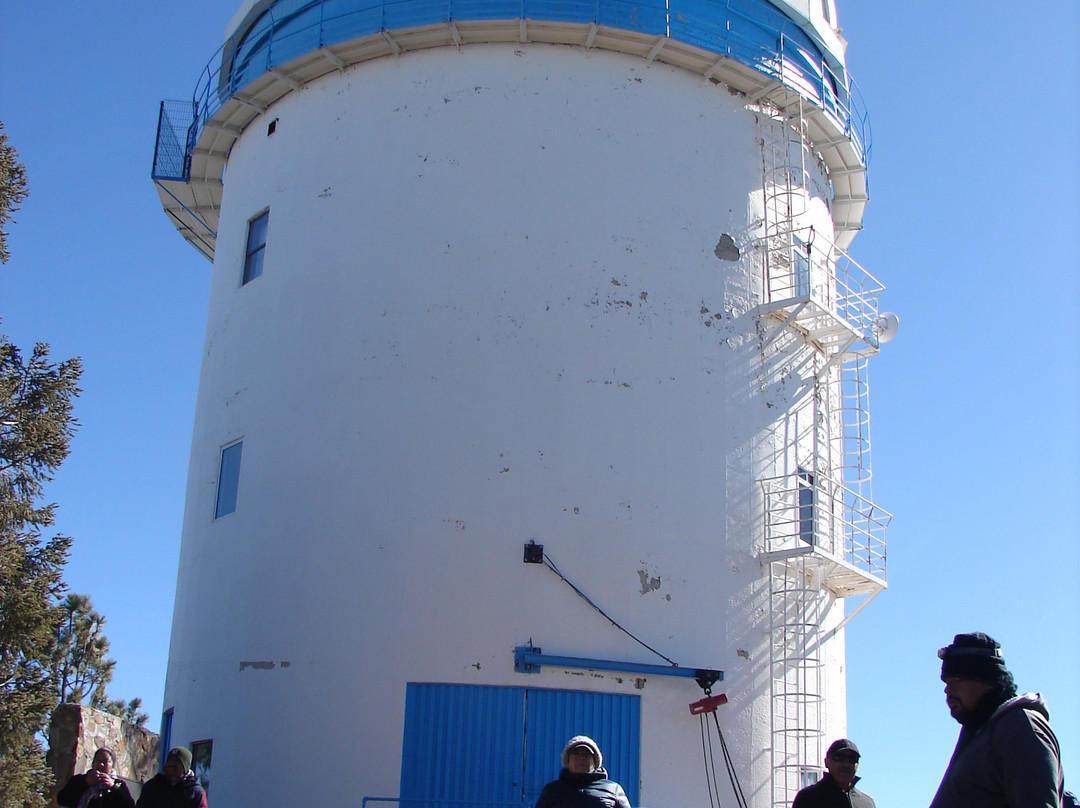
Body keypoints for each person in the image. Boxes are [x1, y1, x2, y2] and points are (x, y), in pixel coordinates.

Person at [929, 632, 1064, 808]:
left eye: (957, 679)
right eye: (946, 682)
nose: (948, 690)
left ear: (987, 680)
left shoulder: (1019, 727)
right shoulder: (982, 733)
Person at [534, 735, 631, 808]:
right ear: (567, 760)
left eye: (586, 755)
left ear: (595, 761)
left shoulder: (613, 789)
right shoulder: (552, 790)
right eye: (576, 754)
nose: (581, 758)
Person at [791, 738, 875, 808]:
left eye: (852, 759)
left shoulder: (867, 803)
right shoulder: (809, 797)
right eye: (839, 758)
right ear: (826, 762)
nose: (846, 764)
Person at [57, 746, 136, 808]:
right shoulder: (79, 780)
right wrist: (85, 783)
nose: (101, 764)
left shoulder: (119, 785)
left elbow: (129, 805)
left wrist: (113, 787)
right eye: (98, 761)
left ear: (112, 765)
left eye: (105, 761)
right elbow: (62, 800)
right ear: (93, 763)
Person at [135, 747, 207, 808]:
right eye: (170, 760)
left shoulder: (195, 792)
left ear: (185, 767)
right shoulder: (152, 786)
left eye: (177, 761)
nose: (172, 763)